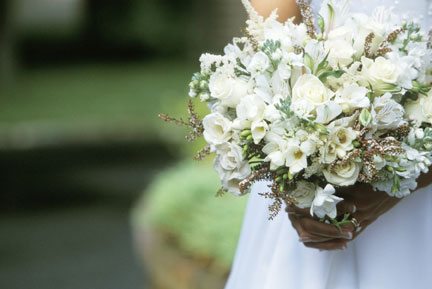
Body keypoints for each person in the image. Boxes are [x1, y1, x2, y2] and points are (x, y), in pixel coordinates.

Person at [224, 1, 432, 288]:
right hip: (300, 145)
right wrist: (296, 176)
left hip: (417, 205)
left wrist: (407, 179)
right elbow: (271, 26)